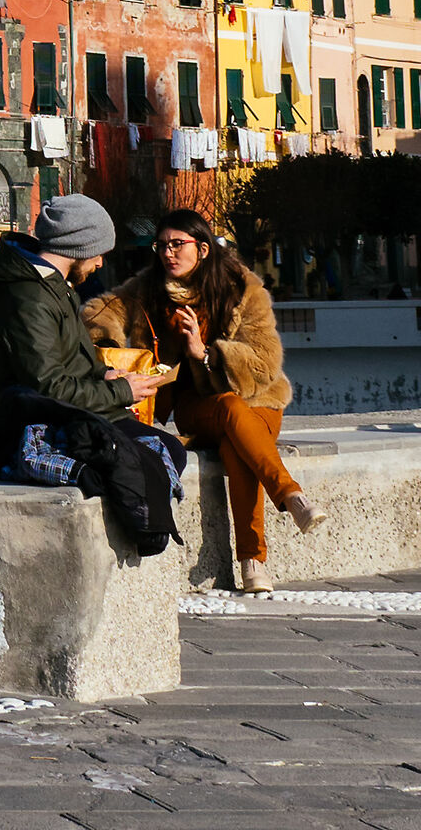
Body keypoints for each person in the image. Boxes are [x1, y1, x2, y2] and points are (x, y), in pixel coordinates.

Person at [82, 208, 326, 596]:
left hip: (258, 401)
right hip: (199, 405)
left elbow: (265, 363)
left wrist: (205, 352)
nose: (168, 253)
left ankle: (253, 562)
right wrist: (110, 351)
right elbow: (102, 312)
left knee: (236, 440)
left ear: (204, 248)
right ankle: (290, 497)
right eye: (161, 245)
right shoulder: (149, 287)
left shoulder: (244, 290)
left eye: (178, 244)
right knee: (229, 411)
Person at [0, 193, 163, 459]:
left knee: (164, 449)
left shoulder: (54, 289)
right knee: (153, 455)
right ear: (79, 247)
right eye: (98, 253)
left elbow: (69, 361)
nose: (99, 263)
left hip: (69, 416)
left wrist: (105, 375)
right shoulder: (29, 298)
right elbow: (49, 388)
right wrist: (122, 390)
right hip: (38, 433)